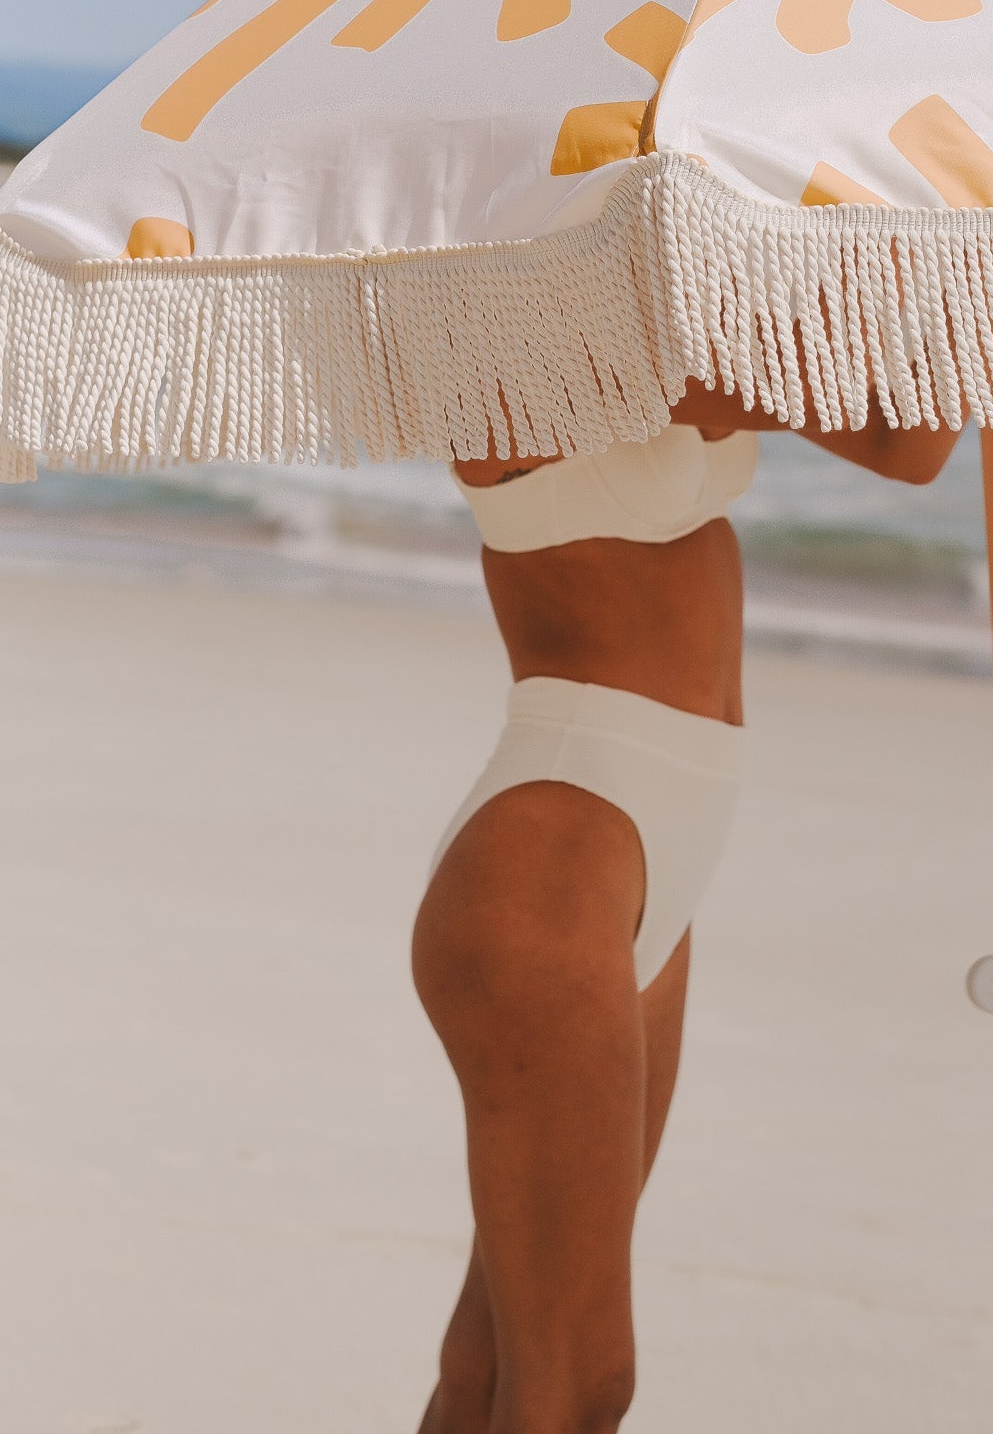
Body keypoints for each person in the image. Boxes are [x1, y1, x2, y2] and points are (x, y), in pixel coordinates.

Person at [412, 379, 963, 1434]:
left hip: (642, 853)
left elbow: (901, 417)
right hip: (555, 859)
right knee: (581, 1386)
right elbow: (905, 440)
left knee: (487, 1375)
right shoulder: (525, 335)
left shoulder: (637, 311)